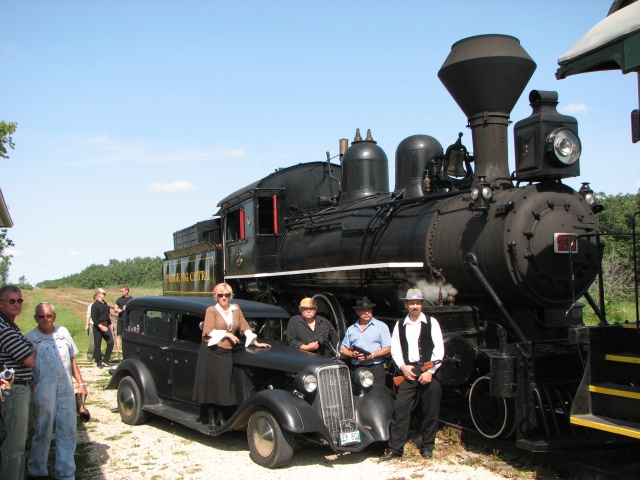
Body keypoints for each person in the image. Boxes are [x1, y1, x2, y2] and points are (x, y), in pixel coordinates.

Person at [192, 283, 270, 431]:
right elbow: (208, 331)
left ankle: (222, 417)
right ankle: (211, 418)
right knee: (211, 385)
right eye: (221, 295)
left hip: (225, 352)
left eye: (227, 295)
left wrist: (256, 342)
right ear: (215, 297)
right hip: (211, 350)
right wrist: (228, 334)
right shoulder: (211, 310)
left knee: (224, 384)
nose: (224, 298)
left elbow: (244, 327)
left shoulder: (235, 309)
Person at [380, 288, 445, 461]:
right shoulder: (400, 325)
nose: (414, 306)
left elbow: (439, 350)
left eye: (418, 303)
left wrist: (430, 372)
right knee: (400, 409)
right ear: (406, 304)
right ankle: (395, 449)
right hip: (409, 372)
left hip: (429, 371)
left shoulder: (432, 323)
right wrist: (403, 367)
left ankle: (427, 447)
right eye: (411, 303)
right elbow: (396, 349)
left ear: (422, 304)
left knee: (430, 411)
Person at [25, 302, 87, 480]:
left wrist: (81, 383)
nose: (45, 319)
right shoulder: (29, 338)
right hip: (43, 390)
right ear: (35, 318)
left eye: (49, 315)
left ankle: (66, 472)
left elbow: (72, 360)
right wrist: (34, 386)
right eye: (41, 316)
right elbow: (24, 367)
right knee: (42, 431)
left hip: (66, 388)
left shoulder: (64, 333)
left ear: (54, 316)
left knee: (67, 430)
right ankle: (37, 471)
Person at [0, 285, 36, 480]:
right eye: (11, 301)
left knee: (18, 443)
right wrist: (31, 347)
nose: (16, 304)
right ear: (0, 304)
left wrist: (28, 347)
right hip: (13, 390)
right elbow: (29, 359)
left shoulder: (10, 326)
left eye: (19, 300)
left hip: (18, 388)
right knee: (14, 444)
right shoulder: (4, 328)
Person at [340, 296, 391, 386]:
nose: (367, 312)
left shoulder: (382, 327)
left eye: (369, 309)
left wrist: (370, 356)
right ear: (357, 311)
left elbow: (387, 348)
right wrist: (353, 354)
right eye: (363, 310)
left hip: (375, 368)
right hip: (356, 368)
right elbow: (343, 349)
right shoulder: (351, 329)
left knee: (377, 396)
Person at [91, 288, 113, 368]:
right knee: (98, 345)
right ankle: (99, 361)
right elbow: (94, 318)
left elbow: (107, 315)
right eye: (103, 294)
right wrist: (100, 326)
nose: (104, 295)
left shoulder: (105, 304)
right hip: (98, 327)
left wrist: (110, 323)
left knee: (111, 342)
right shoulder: (95, 305)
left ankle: (106, 360)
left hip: (106, 325)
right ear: (99, 294)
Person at [113, 286, 133, 358]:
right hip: (120, 319)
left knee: (128, 334)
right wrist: (117, 310)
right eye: (121, 291)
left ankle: (128, 348)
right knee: (119, 335)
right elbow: (115, 309)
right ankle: (118, 350)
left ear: (127, 291)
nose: (121, 292)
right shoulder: (119, 300)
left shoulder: (131, 299)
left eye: (122, 291)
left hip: (129, 320)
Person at [84, 293, 96, 360]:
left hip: (101, 325)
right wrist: (87, 325)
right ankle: (90, 354)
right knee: (92, 340)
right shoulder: (91, 305)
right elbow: (88, 315)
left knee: (97, 340)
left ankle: (96, 353)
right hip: (92, 324)